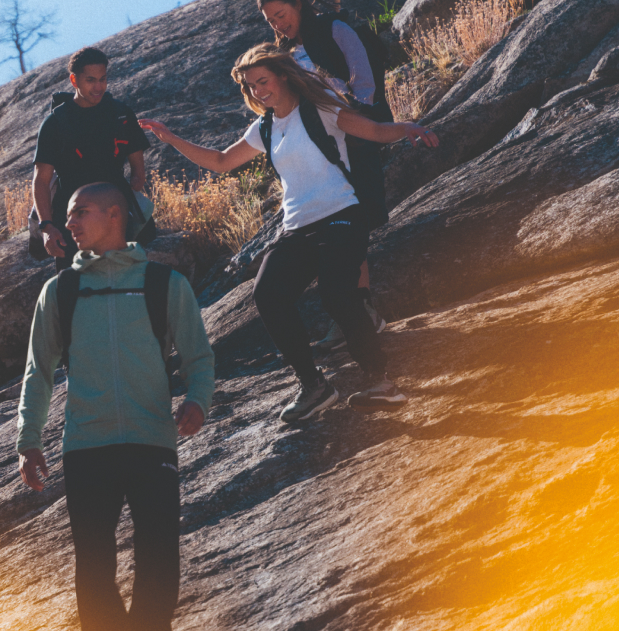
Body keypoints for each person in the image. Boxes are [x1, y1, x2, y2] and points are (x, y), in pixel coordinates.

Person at [139, 46, 438, 422]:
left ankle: (381, 382)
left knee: (336, 293)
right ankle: (314, 386)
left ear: (282, 75)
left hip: (341, 214)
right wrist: (171, 139)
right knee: (267, 295)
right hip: (297, 225)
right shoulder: (264, 128)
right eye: (251, 87)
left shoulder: (321, 108)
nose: (258, 91)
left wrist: (410, 128)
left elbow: (375, 130)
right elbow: (219, 162)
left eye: (263, 81)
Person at [16, 182, 215, 631]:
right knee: (94, 568)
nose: (68, 220)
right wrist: (28, 440)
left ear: (114, 214)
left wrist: (198, 400)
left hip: (153, 441)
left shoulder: (162, 285)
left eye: (79, 211)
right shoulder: (61, 292)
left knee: (159, 560)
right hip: (87, 447)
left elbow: (198, 355)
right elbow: (39, 371)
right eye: (67, 213)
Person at [257, 0, 390, 349]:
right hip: (322, 147)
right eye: (271, 21)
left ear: (298, 3)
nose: (278, 25)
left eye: (281, 15)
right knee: (334, 231)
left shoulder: (335, 28)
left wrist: (349, 109)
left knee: (355, 220)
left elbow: (364, 78)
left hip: (355, 135)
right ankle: (357, 313)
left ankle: (361, 311)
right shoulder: (283, 53)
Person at [30, 47, 152, 269]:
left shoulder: (122, 114)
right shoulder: (55, 123)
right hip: (72, 222)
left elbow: (138, 174)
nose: (98, 87)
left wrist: (124, 208)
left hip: (117, 217)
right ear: (73, 80)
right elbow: (41, 180)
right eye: (90, 80)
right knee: (75, 291)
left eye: (103, 79)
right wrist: (47, 227)